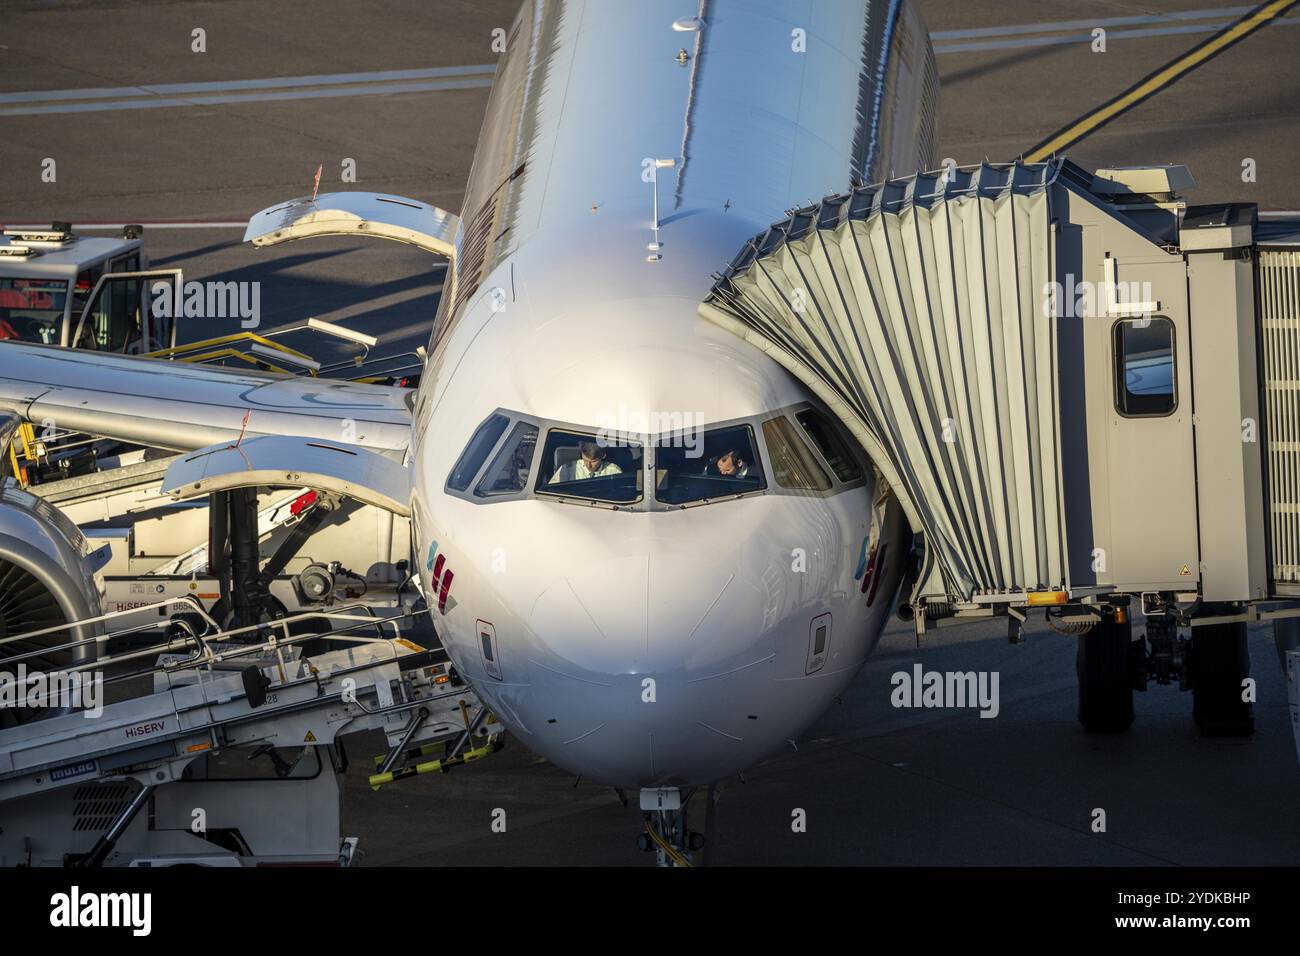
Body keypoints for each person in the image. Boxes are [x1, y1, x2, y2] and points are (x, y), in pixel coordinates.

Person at [550, 441, 622, 483]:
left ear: (603, 456)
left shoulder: (614, 472)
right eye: (585, 460)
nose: (588, 465)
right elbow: (551, 493)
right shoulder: (567, 469)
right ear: (582, 454)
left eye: (593, 461)